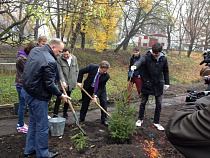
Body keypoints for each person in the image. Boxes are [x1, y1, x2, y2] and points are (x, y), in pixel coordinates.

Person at [21, 38, 70, 158]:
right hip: (38, 97)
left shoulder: (35, 50)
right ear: (53, 47)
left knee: (33, 123)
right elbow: (49, 84)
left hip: (27, 91)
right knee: (43, 127)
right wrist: (60, 95)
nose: (60, 54)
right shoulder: (49, 61)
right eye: (59, 51)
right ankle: (43, 154)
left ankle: (29, 149)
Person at [133, 43, 169, 130]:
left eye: (156, 53)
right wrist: (135, 66)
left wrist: (167, 82)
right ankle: (140, 119)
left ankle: (156, 122)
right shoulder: (147, 56)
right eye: (153, 52)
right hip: (147, 83)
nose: (154, 54)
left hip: (158, 84)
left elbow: (166, 71)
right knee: (143, 102)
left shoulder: (163, 58)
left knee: (159, 104)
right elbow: (140, 61)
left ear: (160, 52)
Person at [77, 61, 110, 126]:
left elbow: (101, 87)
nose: (105, 72)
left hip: (100, 88)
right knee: (85, 102)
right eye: (103, 71)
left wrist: (95, 96)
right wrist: (79, 82)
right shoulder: (92, 67)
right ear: (100, 68)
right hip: (89, 87)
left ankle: (104, 119)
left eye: (106, 71)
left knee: (103, 102)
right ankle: (81, 118)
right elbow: (81, 71)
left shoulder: (106, 76)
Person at [15, 42, 36, 133]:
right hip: (21, 85)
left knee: (23, 105)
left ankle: (21, 123)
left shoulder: (25, 58)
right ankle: (20, 125)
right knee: (22, 105)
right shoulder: (21, 59)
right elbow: (28, 71)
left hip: (24, 84)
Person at [53, 47, 79, 119]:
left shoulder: (74, 58)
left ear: (70, 53)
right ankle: (55, 114)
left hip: (71, 82)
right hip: (62, 82)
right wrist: (63, 81)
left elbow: (76, 70)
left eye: (67, 54)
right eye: (64, 54)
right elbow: (59, 71)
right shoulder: (59, 59)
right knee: (59, 98)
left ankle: (65, 113)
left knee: (68, 99)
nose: (65, 56)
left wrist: (75, 79)